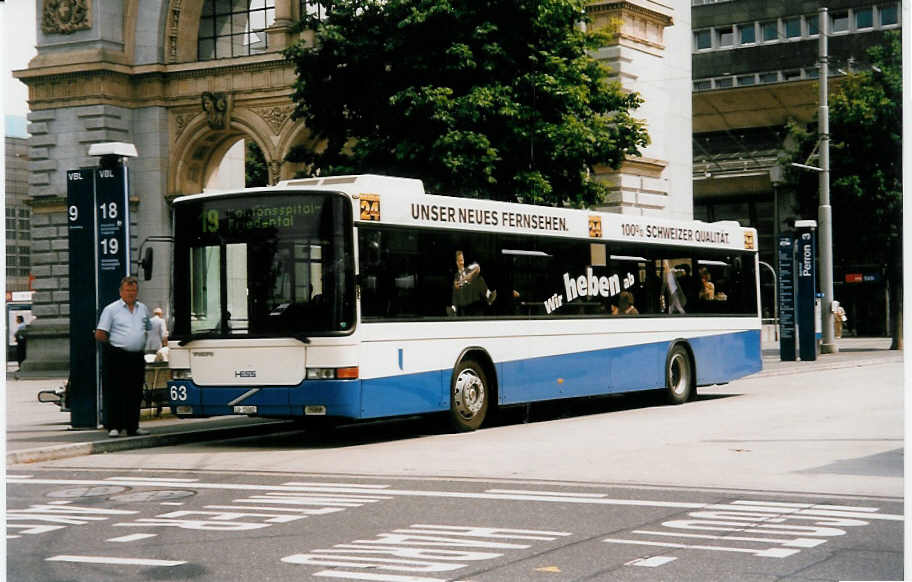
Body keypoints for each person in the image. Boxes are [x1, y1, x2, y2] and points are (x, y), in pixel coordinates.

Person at [95, 276, 151, 438]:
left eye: (133, 291)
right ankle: (114, 427)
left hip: (136, 357)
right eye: (127, 290)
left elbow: (147, 327)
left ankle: (133, 426)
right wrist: (114, 347)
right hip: (117, 356)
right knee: (116, 391)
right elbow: (100, 333)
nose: (131, 294)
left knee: (135, 392)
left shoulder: (143, 309)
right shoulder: (111, 310)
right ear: (121, 292)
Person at [448, 250, 496, 315]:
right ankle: (453, 309)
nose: (462, 262)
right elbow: (456, 285)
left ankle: (489, 296)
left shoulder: (468, 269)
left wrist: (470, 275)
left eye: (462, 260)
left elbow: (477, 268)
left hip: (471, 296)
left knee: (479, 279)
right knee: (456, 288)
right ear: (456, 262)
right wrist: (463, 280)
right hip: (463, 297)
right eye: (460, 261)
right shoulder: (456, 275)